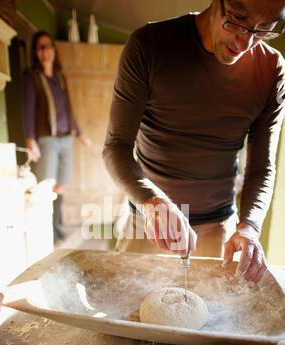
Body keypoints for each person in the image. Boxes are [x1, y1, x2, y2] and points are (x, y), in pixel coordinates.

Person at [103, 0, 285, 284]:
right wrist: (152, 202)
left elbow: (262, 168)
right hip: (148, 223)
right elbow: (116, 146)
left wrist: (249, 226)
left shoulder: (272, 69)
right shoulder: (149, 45)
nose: (246, 41)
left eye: (264, 30)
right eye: (237, 19)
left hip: (217, 232)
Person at [23, 31, 91, 241]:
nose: (45, 51)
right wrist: (29, 138)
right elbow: (28, 108)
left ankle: (56, 226)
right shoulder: (32, 77)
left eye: (47, 46)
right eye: (40, 47)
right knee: (45, 187)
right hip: (47, 140)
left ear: (53, 49)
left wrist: (80, 133)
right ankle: (47, 231)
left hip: (65, 138)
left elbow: (68, 108)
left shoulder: (60, 76)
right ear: (36, 52)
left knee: (61, 184)